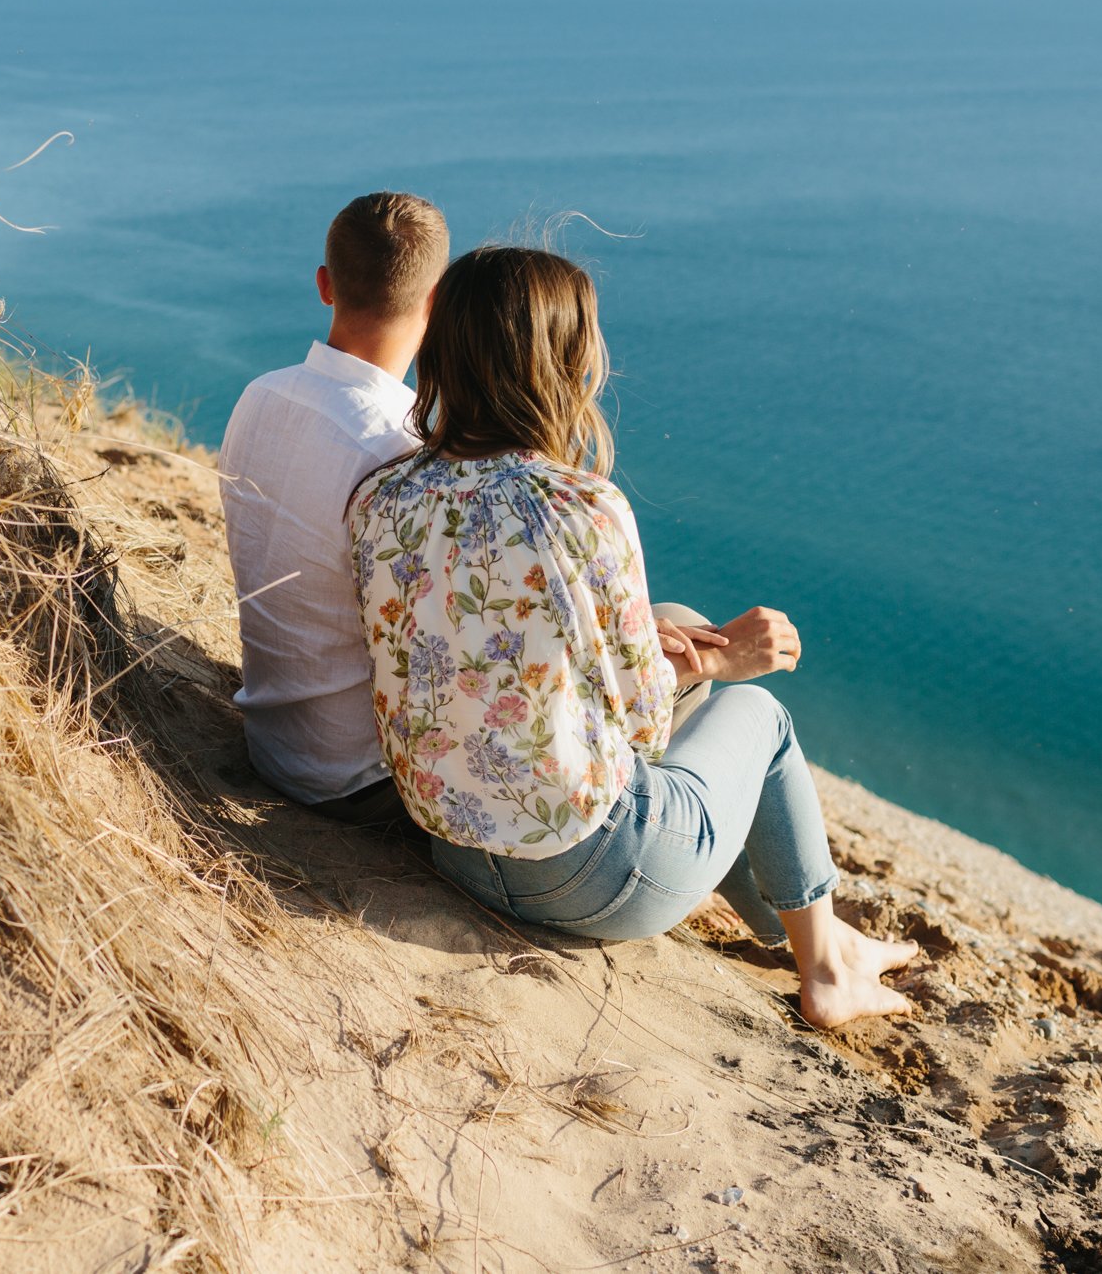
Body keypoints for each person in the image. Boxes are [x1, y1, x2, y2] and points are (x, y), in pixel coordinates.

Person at [345, 245, 918, 1028]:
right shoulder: (582, 506)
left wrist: (665, 644)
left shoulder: (383, 491)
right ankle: (825, 973)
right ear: (559, 361)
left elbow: (468, 638)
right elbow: (641, 727)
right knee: (761, 721)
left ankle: (822, 931)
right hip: (590, 872)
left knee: (673, 617)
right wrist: (725, 660)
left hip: (456, 850)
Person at [219, 192, 451, 823]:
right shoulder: (404, 457)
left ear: (325, 285)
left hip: (271, 742)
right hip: (358, 780)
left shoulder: (257, 397)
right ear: (436, 302)